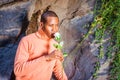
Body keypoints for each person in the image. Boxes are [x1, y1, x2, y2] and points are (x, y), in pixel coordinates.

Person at [14, 11, 68, 80]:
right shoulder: (26, 41)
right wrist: (46, 58)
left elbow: (59, 72)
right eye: (51, 25)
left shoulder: (56, 45)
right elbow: (18, 70)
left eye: (56, 25)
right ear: (41, 25)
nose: (54, 29)